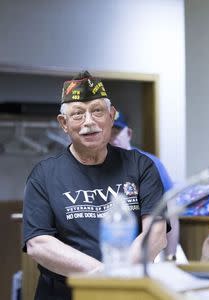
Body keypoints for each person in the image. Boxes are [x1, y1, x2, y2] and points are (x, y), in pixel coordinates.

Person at [22, 71, 167, 300]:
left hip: (128, 293)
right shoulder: (44, 175)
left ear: (111, 115)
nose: (89, 122)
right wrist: (103, 276)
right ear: (64, 123)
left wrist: (119, 279)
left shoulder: (140, 166)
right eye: (78, 114)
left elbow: (156, 233)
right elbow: (39, 244)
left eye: (97, 111)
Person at [110, 111, 182, 262]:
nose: (112, 138)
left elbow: (170, 209)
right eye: (109, 133)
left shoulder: (149, 163)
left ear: (128, 134)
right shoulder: (102, 164)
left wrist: (170, 256)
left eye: (116, 132)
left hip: (148, 248)